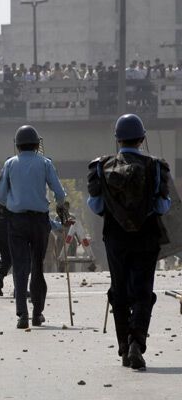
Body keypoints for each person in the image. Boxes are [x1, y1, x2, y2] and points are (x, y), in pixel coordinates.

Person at [87, 114, 171, 370]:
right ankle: (137, 341)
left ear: (117, 139)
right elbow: (162, 205)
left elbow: (96, 204)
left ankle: (123, 345)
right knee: (143, 292)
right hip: (147, 236)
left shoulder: (101, 166)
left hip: (115, 237)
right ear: (142, 138)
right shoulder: (156, 166)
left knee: (119, 290)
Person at [0, 126, 67, 329]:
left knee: (20, 267)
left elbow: (0, 197)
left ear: (17, 145)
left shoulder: (9, 164)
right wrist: (62, 211)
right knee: (37, 266)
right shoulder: (45, 163)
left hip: (16, 222)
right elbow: (59, 194)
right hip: (39, 222)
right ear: (37, 144)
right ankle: (37, 313)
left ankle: (22, 315)